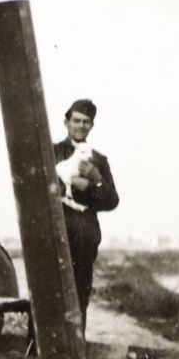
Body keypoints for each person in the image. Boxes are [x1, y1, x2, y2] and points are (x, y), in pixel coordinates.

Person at [53, 99, 119, 327]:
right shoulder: (51, 152)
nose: (81, 126)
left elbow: (111, 201)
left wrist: (95, 179)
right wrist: (69, 185)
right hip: (57, 219)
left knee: (80, 283)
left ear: (92, 126)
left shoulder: (99, 160)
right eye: (76, 120)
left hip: (84, 227)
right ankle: (37, 344)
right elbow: (37, 186)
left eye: (86, 122)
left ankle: (75, 342)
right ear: (66, 122)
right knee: (50, 281)